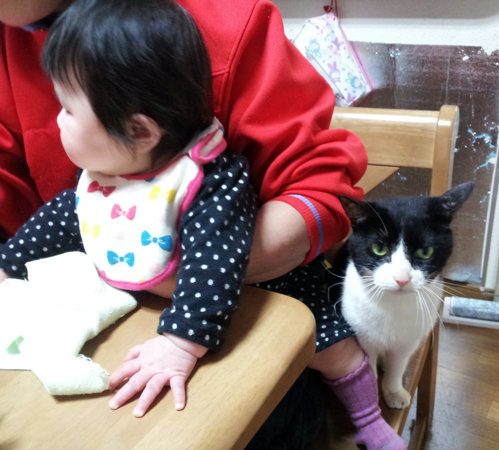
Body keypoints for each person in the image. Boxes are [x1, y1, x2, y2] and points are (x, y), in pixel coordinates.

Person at [0, 0, 405, 449]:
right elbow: (61, 219)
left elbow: (215, 261)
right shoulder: (108, 173)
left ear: (138, 132)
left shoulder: (212, 184)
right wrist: (8, 264)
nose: (57, 120)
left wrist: (180, 342)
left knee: (333, 349)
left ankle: (370, 418)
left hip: (259, 291)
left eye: (67, 110)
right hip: (143, 308)